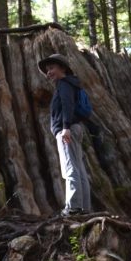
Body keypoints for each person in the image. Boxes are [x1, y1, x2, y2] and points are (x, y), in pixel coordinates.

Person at [38, 53, 92, 216]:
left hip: (67, 129)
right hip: (75, 128)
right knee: (79, 168)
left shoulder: (64, 84)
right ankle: (84, 207)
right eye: (47, 70)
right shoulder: (72, 84)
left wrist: (65, 127)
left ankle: (73, 207)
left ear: (63, 68)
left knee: (69, 167)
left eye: (52, 68)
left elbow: (67, 104)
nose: (49, 72)